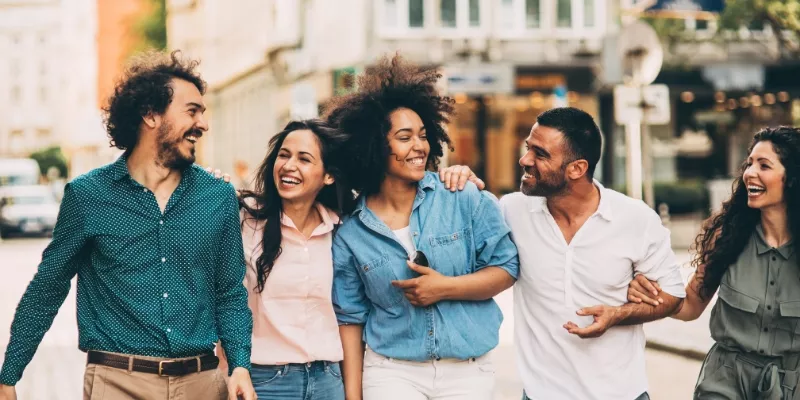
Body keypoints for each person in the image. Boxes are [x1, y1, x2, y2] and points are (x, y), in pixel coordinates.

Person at [0, 51, 256, 400]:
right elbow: (48, 288)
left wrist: (240, 363)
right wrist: (9, 376)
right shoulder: (88, 196)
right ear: (150, 114)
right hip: (118, 382)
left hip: (201, 383)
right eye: (192, 111)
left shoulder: (217, 196)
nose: (203, 124)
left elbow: (229, 292)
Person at [325, 55, 520, 400]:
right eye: (404, 137)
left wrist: (445, 288)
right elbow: (350, 319)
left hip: (468, 371)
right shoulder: (351, 231)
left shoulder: (461, 196)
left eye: (423, 135)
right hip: (392, 372)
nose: (420, 146)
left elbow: (506, 267)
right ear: (373, 146)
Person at [499, 107, 686, 400]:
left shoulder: (635, 219)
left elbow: (674, 296)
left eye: (540, 154)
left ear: (577, 169)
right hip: (540, 395)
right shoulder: (510, 211)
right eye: (527, 149)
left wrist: (618, 314)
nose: (525, 160)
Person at [628, 126, 800, 399]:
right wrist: (654, 296)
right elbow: (690, 306)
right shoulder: (726, 237)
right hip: (724, 382)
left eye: (764, 165)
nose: (750, 173)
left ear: (791, 178)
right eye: (749, 163)